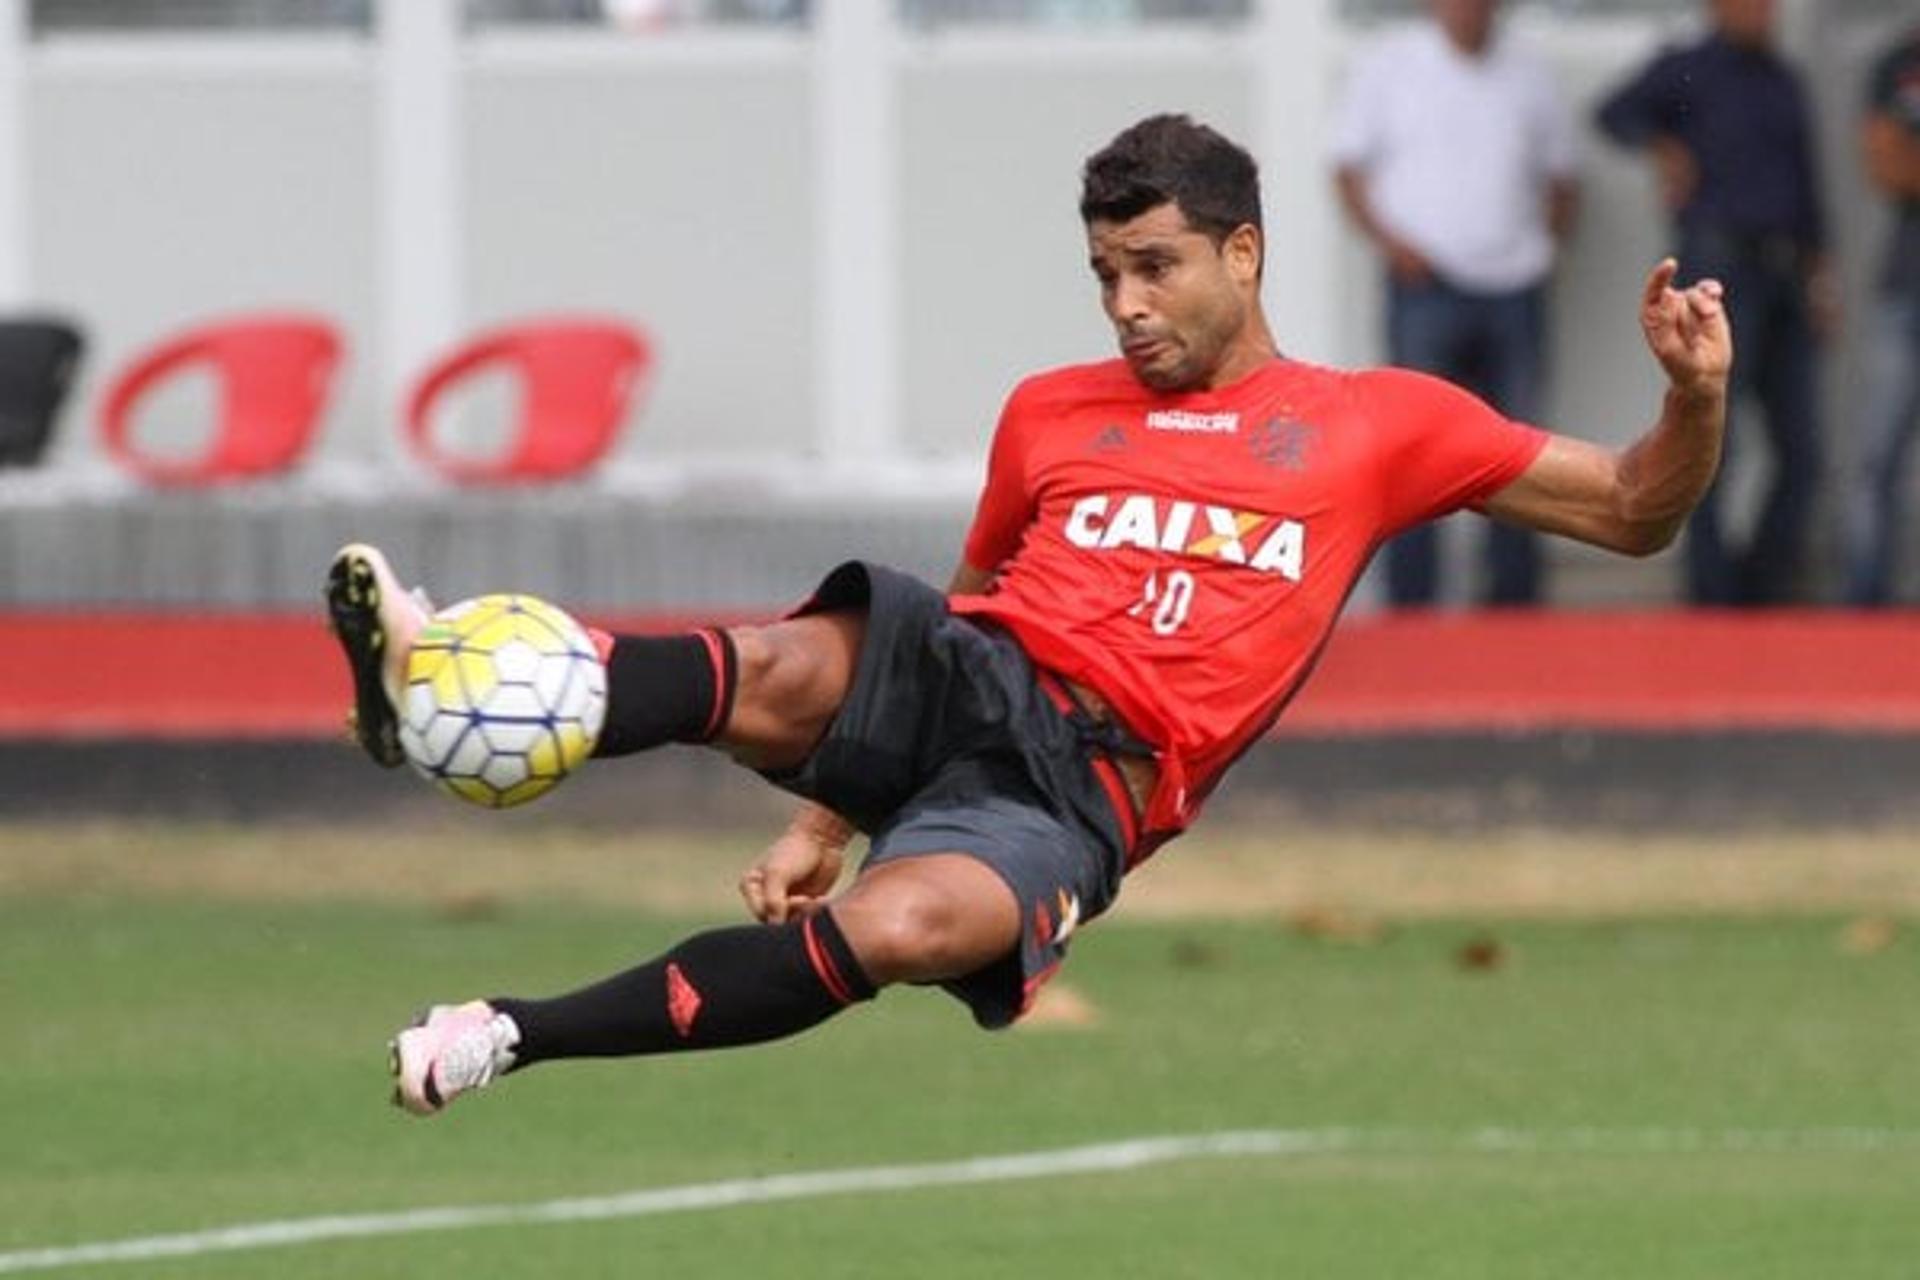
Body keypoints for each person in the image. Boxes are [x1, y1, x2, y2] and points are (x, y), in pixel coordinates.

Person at [328, 114, 1730, 1118]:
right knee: (776, 661)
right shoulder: (1051, 411)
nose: (1124, 306)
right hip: (977, 670)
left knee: (906, 930)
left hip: (1087, 787)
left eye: (1155, 268)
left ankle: (506, 1034)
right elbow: (977, 595)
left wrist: (1694, 401)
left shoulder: (1375, 425)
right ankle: (432, 673)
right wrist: (820, 817)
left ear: (1244, 253)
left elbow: (1629, 511)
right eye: (1105, 275)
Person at [1331, 0, 1581, 608]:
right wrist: (1395, 247)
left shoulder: (1530, 73)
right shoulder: (1390, 66)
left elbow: (1564, 175)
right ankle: (1412, 606)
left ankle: (1513, 608)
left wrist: (1543, 246)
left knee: (1517, 454)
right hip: (1425, 285)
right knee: (1412, 450)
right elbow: (1346, 169)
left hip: (1513, 286)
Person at [1596, 0, 1833, 606]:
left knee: (1802, 449)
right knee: (1715, 442)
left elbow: (1807, 187)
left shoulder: (1786, 79)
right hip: (1721, 275)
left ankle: (1759, 589)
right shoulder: (1688, 68)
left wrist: (1820, 272)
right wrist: (1663, 146)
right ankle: (1711, 594)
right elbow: (1612, 113)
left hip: (1784, 273)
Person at [1843, 22, 1920, 606]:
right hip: (1905, 285)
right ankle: (1864, 602)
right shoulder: (1896, 61)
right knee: (1878, 452)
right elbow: (1885, 166)